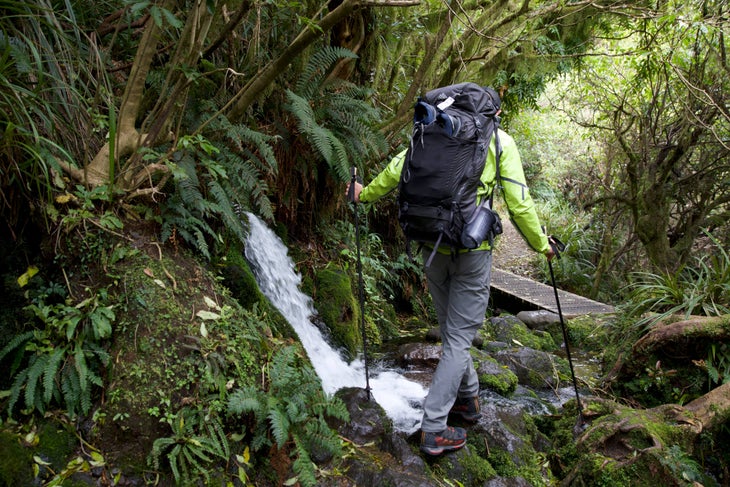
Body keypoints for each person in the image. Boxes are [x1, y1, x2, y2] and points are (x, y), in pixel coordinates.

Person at [346, 87, 555, 456]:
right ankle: (433, 429)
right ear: (496, 112)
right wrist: (542, 245)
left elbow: (398, 170)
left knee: (452, 333)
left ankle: (469, 400)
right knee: (458, 340)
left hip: (433, 246)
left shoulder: (431, 132)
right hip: (473, 253)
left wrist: (364, 194)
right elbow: (519, 203)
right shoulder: (498, 141)